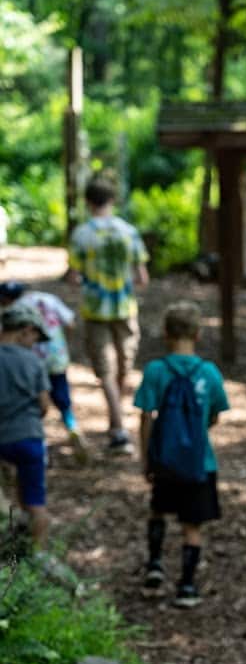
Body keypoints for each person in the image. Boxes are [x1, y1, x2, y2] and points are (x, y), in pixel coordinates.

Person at [134, 301, 229, 608]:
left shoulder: (156, 370)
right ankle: (187, 586)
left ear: (165, 333)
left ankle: (155, 565)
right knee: (192, 525)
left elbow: (146, 415)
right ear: (198, 334)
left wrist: (147, 457)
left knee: (158, 511)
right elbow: (215, 415)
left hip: (164, 461)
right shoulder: (209, 373)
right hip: (201, 463)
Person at [68, 176, 149, 454]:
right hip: (125, 308)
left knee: (105, 371)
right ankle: (118, 424)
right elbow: (142, 277)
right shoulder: (129, 231)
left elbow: (73, 276)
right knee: (123, 367)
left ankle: (118, 428)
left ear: (88, 202)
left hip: (95, 310)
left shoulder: (81, 234)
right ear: (112, 199)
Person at [0, 282, 87, 463]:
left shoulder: (12, 312)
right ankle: (72, 428)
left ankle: (38, 440)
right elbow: (70, 323)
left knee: (31, 400)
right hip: (56, 358)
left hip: (26, 363)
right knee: (62, 399)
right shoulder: (48, 299)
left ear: (6, 299)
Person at [0, 305, 51, 548]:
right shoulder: (34, 361)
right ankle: (37, 554)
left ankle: (12, 538)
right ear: (25, 330)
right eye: (35, 338)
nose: (35, 343)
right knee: (35, 502)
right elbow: (44, 404)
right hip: (29, 437)